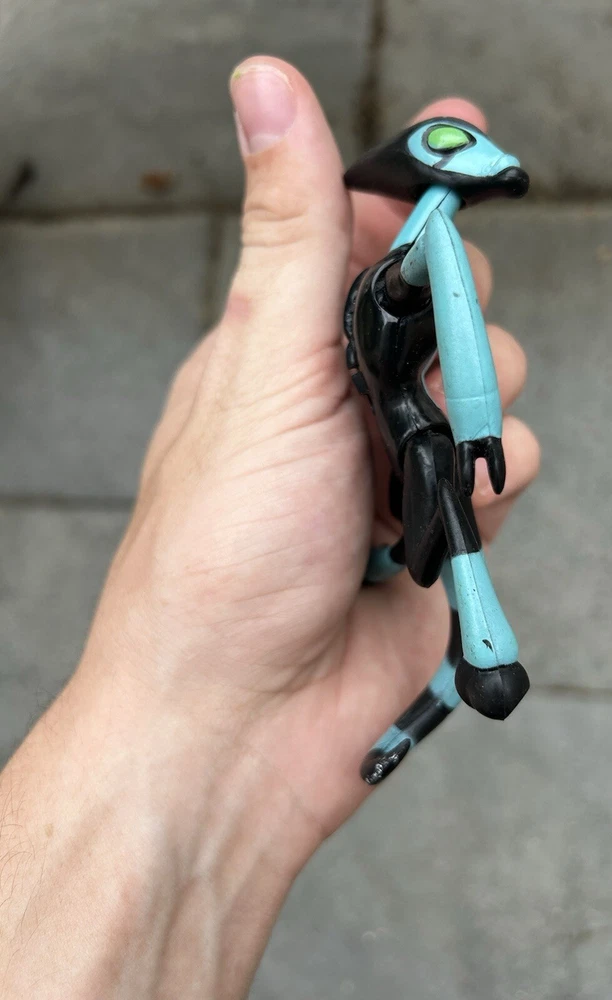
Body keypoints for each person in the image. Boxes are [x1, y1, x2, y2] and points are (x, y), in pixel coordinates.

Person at [0, 57, 539, 998]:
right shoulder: (415, 259)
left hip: (401, 442)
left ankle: (463, 660)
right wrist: (480, 418)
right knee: (437, 475)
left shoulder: (418, 260)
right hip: (397, 441)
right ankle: (473, 655)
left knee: (436, 480)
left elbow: (446, 278)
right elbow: (444, 271)